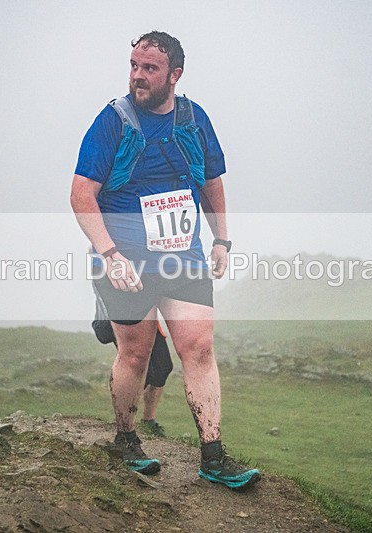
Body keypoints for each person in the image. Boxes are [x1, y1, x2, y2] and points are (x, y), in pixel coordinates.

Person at [70, 30, 260, 489]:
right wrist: (110, 255)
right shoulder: (112, 121)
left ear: (174, 74)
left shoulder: (194, 120)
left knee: (198, 348)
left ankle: (213, 455)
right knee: (135, 353)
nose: (138, 75)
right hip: (126, 262)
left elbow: (211, 182)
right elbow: (81, 194)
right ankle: (127, 439)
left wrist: (222, 240)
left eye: (149, 68)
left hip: (183, 259)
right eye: (134, 65)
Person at [92, 286, 171, 437]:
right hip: (115, 317)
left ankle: (148, 420)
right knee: (137, 370)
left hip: (145, 316)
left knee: (163, 367)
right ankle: (126, 424)